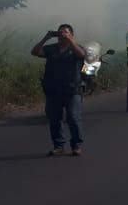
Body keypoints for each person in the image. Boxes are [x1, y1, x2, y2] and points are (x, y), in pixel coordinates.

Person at [32, 24, 87, 156]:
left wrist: (70, 41)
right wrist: (46, 37)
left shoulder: (76, 47)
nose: (62, 35)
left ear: (72, 34)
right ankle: (59, 146)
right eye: (60, 33)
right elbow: (35, 52)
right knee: (55, 119)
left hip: (72, 89)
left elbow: (81, 55)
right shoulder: (51, 49)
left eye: (66, 32)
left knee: (73, 117)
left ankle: (76, 145)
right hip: (53, 89)